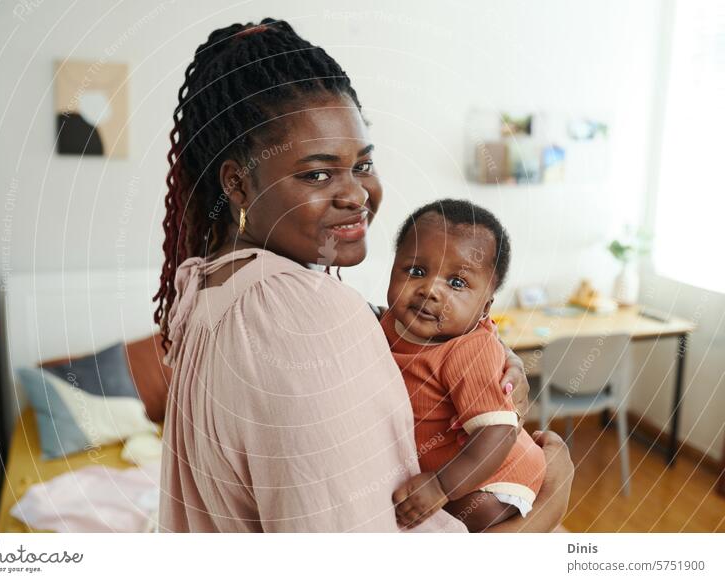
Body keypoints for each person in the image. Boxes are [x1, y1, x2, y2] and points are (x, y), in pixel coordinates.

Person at [153, 18, 573, 532]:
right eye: (317, 173)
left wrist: (476, 361)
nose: (355, 194)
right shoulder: (297, 316)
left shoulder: (211, 285)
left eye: (363, 165)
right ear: (238, 185)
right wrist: (555, 494)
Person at [382, 199, 546, 531]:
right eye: (416, 271)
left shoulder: (469, 351)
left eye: (457, 283)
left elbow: (496, 433)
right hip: (442, 462)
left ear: (485, 308)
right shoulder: (389, 321)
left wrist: (442, 486)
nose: (429, 290)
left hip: (496, 474)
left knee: (475, 511)